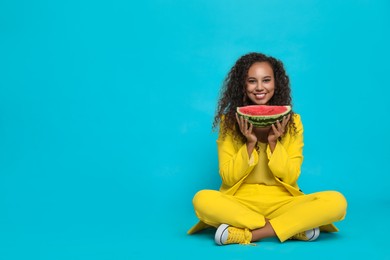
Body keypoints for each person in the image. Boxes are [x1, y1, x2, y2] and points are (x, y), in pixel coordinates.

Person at [187, 52, 347, 245]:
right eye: (252, 81)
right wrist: (250, 143)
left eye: (266, 80)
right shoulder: (228, 123)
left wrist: (273, 143)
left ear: (276, 83)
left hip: (283, 202)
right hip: (241, 202)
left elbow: (291, 176)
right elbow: (228, 177)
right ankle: (292, 228)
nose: (260, 87)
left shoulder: (293, 122)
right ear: (242, 86)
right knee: (202, 199)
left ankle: (248, 234)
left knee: (337, 202)